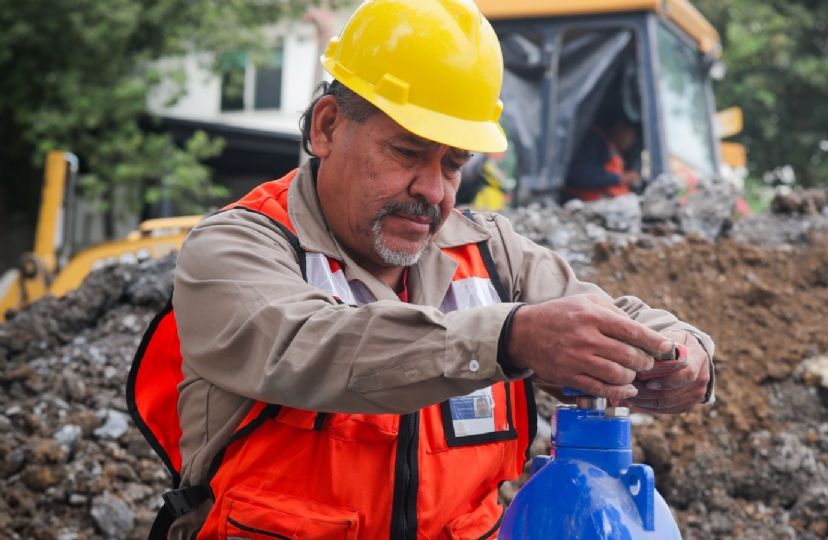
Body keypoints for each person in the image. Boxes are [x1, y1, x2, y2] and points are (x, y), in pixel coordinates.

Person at [129, 1, 715, 538]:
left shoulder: (489, 253)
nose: (433, 191)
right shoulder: (237, 247)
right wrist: (510, 338)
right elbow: (309, 347)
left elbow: (617, 318)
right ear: (327, 127)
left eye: (454, 164)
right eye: (407, 152)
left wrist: (682, 352)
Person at [565, 115, 643, 201]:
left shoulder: (613, 148)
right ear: (620, 127)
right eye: (631, 133)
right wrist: (620, 178)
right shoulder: (593, 141)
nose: (632, 141)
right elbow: (579, 174)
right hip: (584, 206)